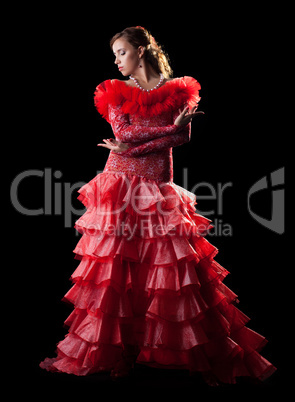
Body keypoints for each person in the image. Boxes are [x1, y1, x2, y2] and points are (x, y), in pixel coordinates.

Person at [40, 26, 276, 385]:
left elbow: (182, 137)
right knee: (115, 274)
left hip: (159, 187)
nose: (117, 60)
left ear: (141, 49)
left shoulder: (178, 90)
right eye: (115, 54)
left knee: (169, 274)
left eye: (122, 52)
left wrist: (147, 141)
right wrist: (157, 135)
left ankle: (172, 353)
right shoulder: (114, 90)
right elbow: (124, 134)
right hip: (119, 186)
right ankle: (119, 352)